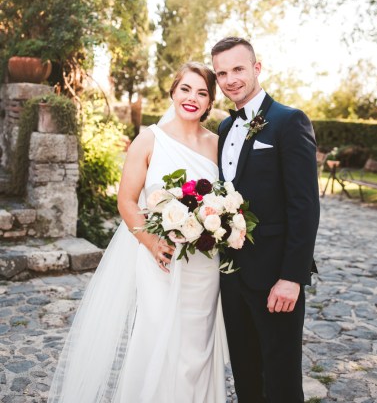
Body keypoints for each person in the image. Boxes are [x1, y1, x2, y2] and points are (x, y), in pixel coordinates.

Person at [48, 62, 227, 403]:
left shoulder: (218, 145)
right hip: (158, 259)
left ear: (209, 102)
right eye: (186, 89)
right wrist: (151, 242)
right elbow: (127, 200)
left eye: (202, 92)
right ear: (173, 92)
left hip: (203, 264)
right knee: (157, 332)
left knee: (196, 343)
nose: (192, 98)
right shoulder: (149, 139)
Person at [211, 37, 320, 403]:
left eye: (238, 69)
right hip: (232, 275)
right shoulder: (225, 129)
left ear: (257, 68)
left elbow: (304, 207)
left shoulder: (289, 121)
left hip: (276, 277)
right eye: (222, 72)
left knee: (281, 378)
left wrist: (292, 277)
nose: (230, 79)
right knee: (245, 373)